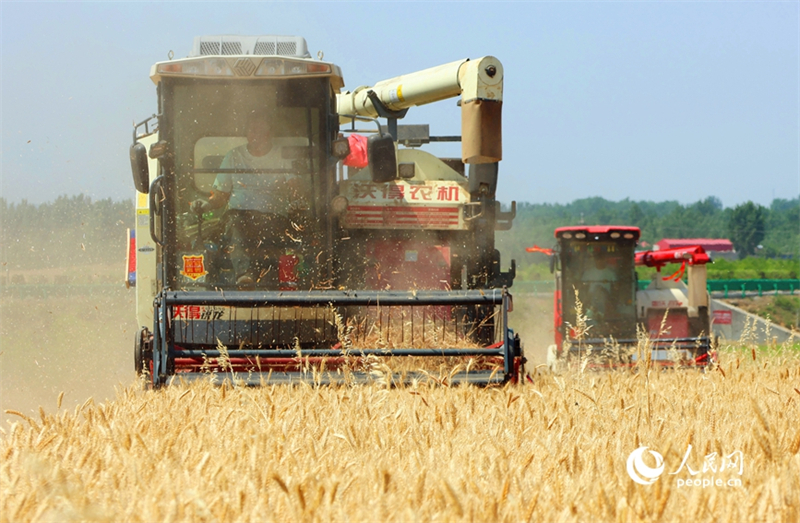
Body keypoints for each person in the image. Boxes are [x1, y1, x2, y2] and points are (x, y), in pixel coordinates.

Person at [194, 110, 308, 289]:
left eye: (262, 130)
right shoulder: (234, 156)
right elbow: (221, 196)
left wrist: (297, 199)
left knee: (270, 234)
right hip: (239, 214)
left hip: (273, 215)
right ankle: (244, 276)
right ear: (247, 133)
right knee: (236, 224)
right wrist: (206, 205)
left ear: (270, 133)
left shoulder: (283, 155)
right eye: (253, 130)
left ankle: (270, 283)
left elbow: (294, 185)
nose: (258, 135)